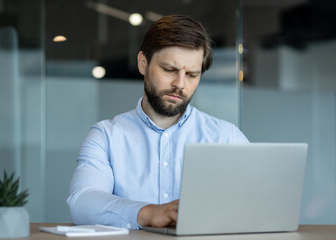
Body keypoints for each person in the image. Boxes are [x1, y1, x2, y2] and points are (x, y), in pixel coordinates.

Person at [67, 14, 249, 230]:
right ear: (143, 63)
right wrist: (149, 213)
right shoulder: (106, 136)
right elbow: (82, 202)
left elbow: (257, 202)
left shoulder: (227, 137)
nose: (180, 84)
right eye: (169, 70)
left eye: (191, 74)